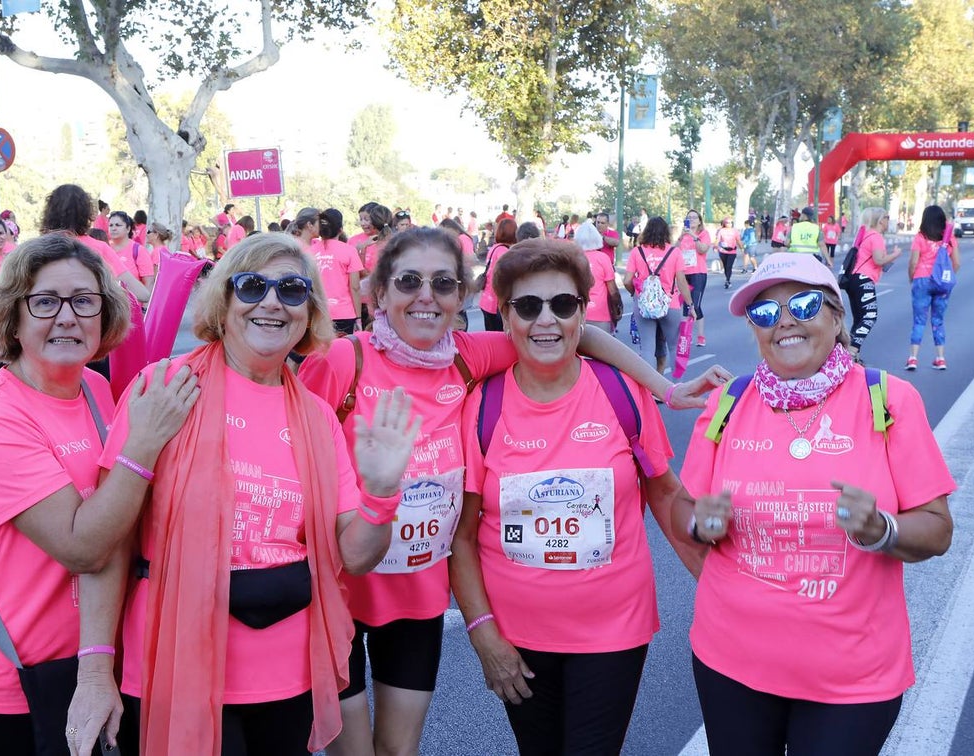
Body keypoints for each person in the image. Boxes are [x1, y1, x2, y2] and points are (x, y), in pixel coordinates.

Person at [297, 227, 727, 756]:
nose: (426, 295)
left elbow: (572, 334)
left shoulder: (466, 358)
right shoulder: (345, 360)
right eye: (409, 281)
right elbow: (288, 440)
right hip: (340, 589)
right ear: (378, 293)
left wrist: (665, 389)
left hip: (414, 598)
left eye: (443, 283)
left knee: (397, 751)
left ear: (461, 297)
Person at [66, 232, 423, 756]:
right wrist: (95, 671)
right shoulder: (165, 386)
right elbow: (111, 542)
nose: (272, 302)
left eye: (292, 290)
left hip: (288, 675)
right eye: (253, 286)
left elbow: (354, 556)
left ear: (309, 311)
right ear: (224, 300)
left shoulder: (317, 417)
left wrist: (381, 495)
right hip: (174, 662)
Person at [674, 252, 954, 756]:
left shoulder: (889, 399)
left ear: (836, 315)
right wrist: (700, 523)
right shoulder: (728, 403)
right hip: (731, 663)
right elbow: (682, 506)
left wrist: (881, 529)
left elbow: (937, 529)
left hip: (852, 679)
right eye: (764, 312)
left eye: (802, 304)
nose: (784, 321)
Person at [0, 234, 199, 755]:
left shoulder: (96, 390)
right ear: (13, 317)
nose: (67, 317)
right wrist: (144, 442)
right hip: (13, 674)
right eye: (44, 302)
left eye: (84, 301)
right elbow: (84, 546)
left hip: (92, 655)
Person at [450, 237, 705, 755]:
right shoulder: (481, 405)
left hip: (613, 630)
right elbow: (463, 536)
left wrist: (725, 587)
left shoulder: (621, 392)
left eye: (563, 304)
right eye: (528, 306)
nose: (546, 320)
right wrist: (482, 633)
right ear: (505, 316)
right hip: (517, 636)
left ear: (582, 313)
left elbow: (666, 496)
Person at [39, 184, 150, 303]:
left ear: (49, 212)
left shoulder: (36, 249)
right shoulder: (99, 248)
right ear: (86, 213)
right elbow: (143, 294)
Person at [623, 217, 695, 375]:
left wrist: (635, 294)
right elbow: (681, 281)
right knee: (674, 347)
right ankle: (677, 386)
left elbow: (627, 280)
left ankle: (650, 387)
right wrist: (690, 305)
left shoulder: (637, 252)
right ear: (666, 233)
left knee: (647, 349)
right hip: (670, 304)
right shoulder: (674, 252)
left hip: (644, 305)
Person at [844, 208, 902, 362]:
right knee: (870, 315)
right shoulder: (876, 236)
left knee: (859, 319)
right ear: (880, 220)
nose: (888, 220)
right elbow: (878, 260)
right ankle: (851, 352)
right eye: (887, 217)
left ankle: (852, 356)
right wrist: (895, 254)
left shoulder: (865, 235)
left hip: (853, 279)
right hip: (864, 279)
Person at [906, 205, 960, 371]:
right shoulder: (949, 239)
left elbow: (913, 262)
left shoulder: (920, 237)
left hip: (922, 280)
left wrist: (911, 278)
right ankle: (940, 358)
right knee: (938, 321)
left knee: (919, 321)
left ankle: (913, 358)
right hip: (942, 284)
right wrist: (945, 277)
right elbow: (956, 263)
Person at [311, 208, 364, 336]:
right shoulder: (350, 251)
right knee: (343, 347)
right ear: (341, 229)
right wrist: (358, 318)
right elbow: (355, 287)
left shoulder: (309, 252)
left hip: (317, 312)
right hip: (344, 313)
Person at [573, 221, 621, 333]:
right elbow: (612, 290)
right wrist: (617, 308)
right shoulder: (603, 258)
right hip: (600, 313)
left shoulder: (573, 259)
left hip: (577, 313)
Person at [478, 218, 518, 332]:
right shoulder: (504, 251)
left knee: (490, 336)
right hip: (495, 304)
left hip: (486, 301)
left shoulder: (494, 248)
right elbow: (506, 278)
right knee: (499, 338)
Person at [679, 210, 711, 347]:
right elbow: (674, 251)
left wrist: (693, 235)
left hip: (698, 273)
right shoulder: (683, 235)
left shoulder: (704, 234)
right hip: (684, 273)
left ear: (699, 221)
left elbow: (702, 249)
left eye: (694, 217)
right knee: (686, 305)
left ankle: (701, 336)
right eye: (689, 218)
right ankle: (686, 336)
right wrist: (681, 236)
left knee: (695, 305)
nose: (691, 220)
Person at [107, 211, 156, 288]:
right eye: (110, 225)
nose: (113, 228)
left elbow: (149, 283)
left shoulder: (139, 251)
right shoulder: (104, 248)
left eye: (118, 225)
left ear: (128, 229)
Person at [713, 218, 743, 289]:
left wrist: (741, 248)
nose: (729, 224)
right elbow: (717, 239)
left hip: (732, 251)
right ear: (724, 223)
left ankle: (727, 280)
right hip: (723, 251)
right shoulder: (721, 231)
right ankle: (727, 277)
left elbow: (738, 240)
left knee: (729, 266)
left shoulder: (735, 231)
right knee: (725, 266)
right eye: (727, 222)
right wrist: (715, 247)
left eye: (730, 222)